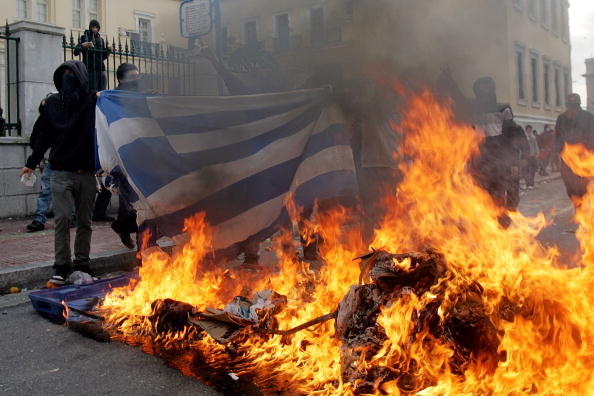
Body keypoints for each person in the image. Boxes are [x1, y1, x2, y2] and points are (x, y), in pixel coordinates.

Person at [20, 60, 99, 285]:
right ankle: (62, 267)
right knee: (62, 219)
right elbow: (44, 135)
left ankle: (83, 263)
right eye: (63, 74)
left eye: (71, 74)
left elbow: (114, 106)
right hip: (60, 173)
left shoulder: (92, 100)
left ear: (81, 77)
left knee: (85, 222)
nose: (67, 78)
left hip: (87, 173)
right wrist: (31, 162)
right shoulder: (53, 103)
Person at [438, 70, 526, 214]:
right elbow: (459, 98)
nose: (483, 93)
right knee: (482, 198)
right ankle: (491, 226)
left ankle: (501, 221)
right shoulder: (472, 108)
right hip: (481, 162)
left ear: (492, 90)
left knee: (502, 197)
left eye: (486, 89)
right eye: (479, 90)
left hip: (501, 161)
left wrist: (514, 163)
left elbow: (512, 137)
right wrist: (450, 80)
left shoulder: (503, 109)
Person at [554, 93, 594, 205]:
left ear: (578, 105)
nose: (571, 109)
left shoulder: (588, 117)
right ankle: (577, 205)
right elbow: (558, 136)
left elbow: (592, 135)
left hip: (584, 158)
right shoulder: (561, 118)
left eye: (574, 106)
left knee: (583, 186)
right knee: (570, 186)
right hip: (567, 160)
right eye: (570, 106)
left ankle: (584, 207)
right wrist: (557, 151)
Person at [27, 96, 53, 232]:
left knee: (67, 191)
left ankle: (71, 216)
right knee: (46, 190)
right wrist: (38, 160)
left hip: (66, 162)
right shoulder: (44, 119)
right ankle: (39, 218)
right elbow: (37, 141)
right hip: (50, 161)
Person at [73, 19, 111, 92]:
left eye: (97, 27)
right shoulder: (84, 37)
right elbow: (75, 52)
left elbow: (102, 57)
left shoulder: (101, 40)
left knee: (102, 92)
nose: (95, 29)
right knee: (92, 91)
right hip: (90, 69)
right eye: (93, 27)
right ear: (90, 27)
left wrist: (108, 50)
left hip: (101, 69)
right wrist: (82, 45)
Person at [523, 125, 540, 190]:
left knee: (532, 170)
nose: (529, 130)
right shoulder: (524, 138)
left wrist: (537, 154)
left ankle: (531, 184)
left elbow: (536, 146)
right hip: (526, 157)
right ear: (526, 130)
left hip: (532, 156)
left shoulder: (533, 137)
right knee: (526, 170)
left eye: (530, 129)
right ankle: (527, 184)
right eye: (528, 129)